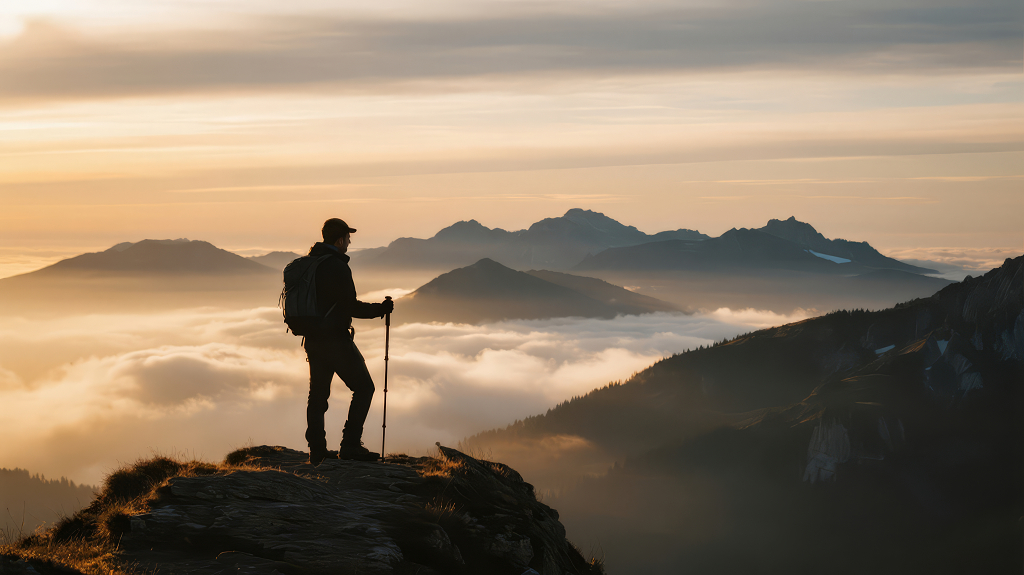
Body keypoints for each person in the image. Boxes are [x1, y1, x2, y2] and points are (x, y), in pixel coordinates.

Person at [303, 218, 394, 465]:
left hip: (312, 340)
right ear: (340, 239)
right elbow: (350, 306)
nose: (350, 241)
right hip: (335, 340)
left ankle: (317, 451)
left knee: (318, 395)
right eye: (348, 237)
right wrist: (381, 309)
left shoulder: (310, 263)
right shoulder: (337, 267)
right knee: (364, 388)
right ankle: (350, 445)